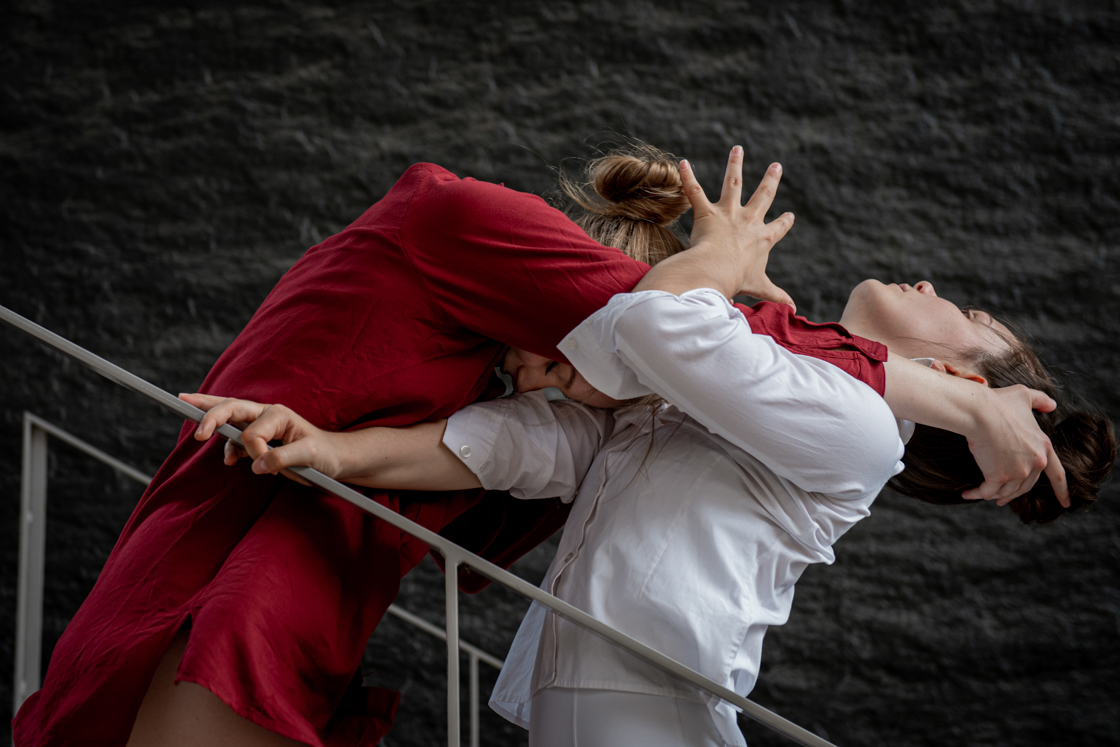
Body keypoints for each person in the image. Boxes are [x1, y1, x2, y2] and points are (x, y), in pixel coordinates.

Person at [182, 149, 1114, 745]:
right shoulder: (797, 374)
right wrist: (335, 453)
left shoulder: (861, 424)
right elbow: (542, 443)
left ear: (961, 384)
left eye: (967, 312)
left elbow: (662, 327)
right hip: (605, 713)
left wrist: (717, 254)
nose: (930, 283)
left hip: (654, 718)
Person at [13, 144, 912, 747]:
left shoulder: (588, 409)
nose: (535, 377)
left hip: (289, 590)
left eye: (564, 368)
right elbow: (651, 336)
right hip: (254, 574)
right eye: (543, 357)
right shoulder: (460, 227)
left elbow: (660, 350)